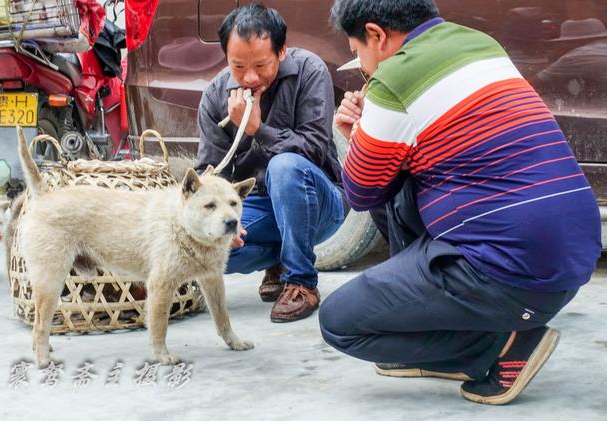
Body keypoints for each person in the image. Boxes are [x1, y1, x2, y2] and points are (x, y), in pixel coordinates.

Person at [319, 0, 601, 405]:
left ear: (377, 35)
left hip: (513, 274)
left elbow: (362, 193)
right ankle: (464, 323)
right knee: (398, 180)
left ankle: (499, 348)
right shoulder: (480, 43)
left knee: (339, 323)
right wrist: (378, 132)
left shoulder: (394, 77)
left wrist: (356, 134)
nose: (361, 64)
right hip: (568, 261)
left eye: (357, 51)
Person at [196, 4, 347, 323]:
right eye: (238, 66)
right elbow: (210, 173)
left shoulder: (310, 71)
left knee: (284, 166)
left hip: (320, 203)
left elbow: (315, 151)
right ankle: (279, 261)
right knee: (210, 246)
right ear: (225, 57)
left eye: (261, 65)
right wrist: (221, 222)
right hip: (261, 208)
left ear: (281, 52)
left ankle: (301, 282)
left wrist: (256, 129)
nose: (249, 78)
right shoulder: (215, 96)